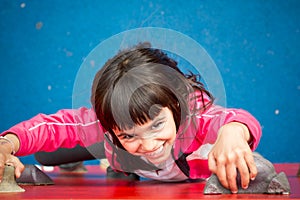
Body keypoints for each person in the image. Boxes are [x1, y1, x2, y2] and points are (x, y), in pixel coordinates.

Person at [0, 42, 261, 193]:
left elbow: (235, 118)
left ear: (177, 105)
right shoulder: (104, 127)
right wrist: (6, 144)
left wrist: (232, 133)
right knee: (47, 156)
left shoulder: (195, 119)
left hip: (146, 160)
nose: (148, 146)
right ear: (110, 127)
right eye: (128, 133)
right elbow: (51, 127)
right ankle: (113, 158)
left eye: (157, 124)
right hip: (120, 156)